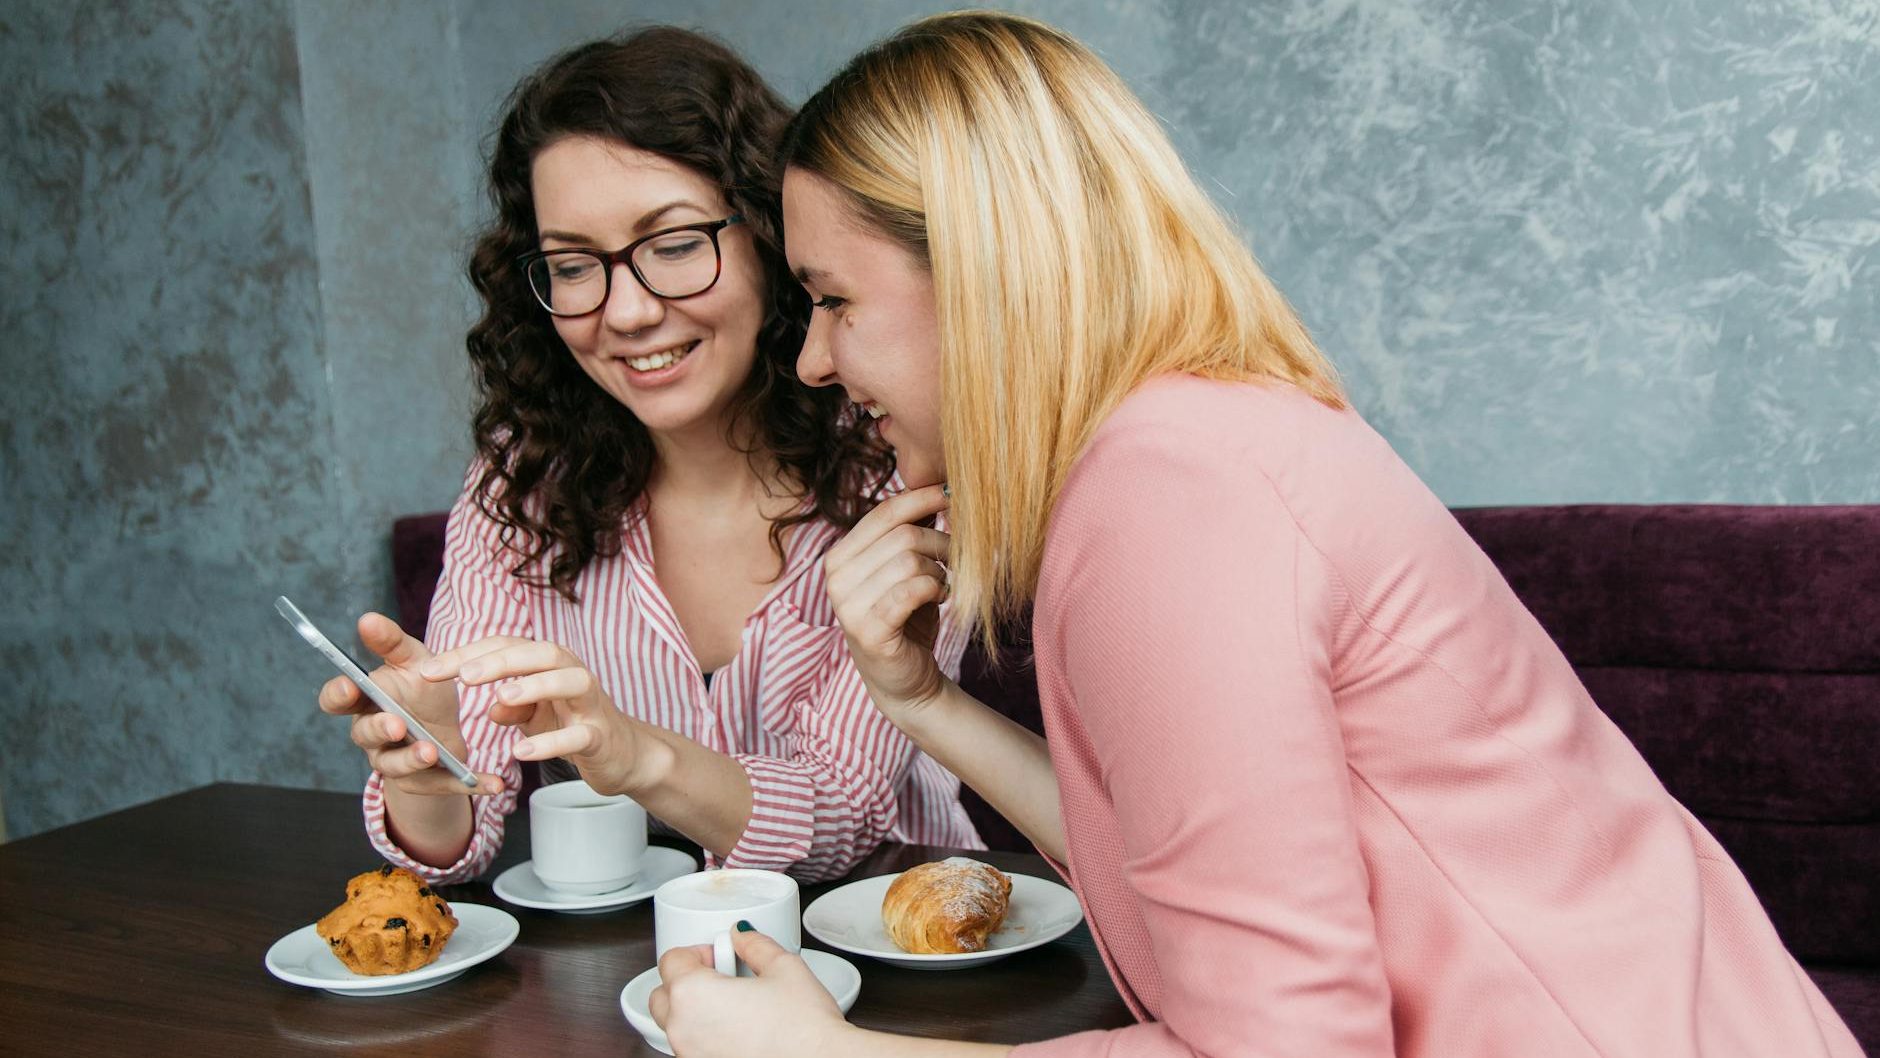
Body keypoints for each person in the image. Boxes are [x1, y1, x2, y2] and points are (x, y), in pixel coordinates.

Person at [648, 11, 1862, 1057]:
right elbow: (1194, 887)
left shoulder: (1163, 504)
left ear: (983, 275)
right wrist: (921, 700)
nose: (810, 358)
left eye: (833, 299)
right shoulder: (1188, 442)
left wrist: (832, 1050)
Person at [316, 27, 980, 885]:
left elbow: (841, 825)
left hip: (904, 945)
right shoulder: (524, 479)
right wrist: (427, 768)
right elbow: (454, 846)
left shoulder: (899, 459)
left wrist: (636, 757)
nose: (625, 312)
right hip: (633, 972)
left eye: (671, 245)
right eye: (573, 265)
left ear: (771, 240)